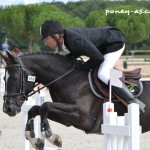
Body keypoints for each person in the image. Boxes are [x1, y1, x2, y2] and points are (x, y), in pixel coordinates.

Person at [40, 19, 135, 105]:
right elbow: (75, 54)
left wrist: (81, 65)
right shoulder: (65, 41)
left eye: (46, 39)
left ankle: (131, 100)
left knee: (103, 74)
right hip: (104, 45)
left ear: (56, 36)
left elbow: (98, 58)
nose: (45, 43)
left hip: (114, 42)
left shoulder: (74, 40)